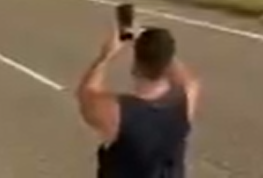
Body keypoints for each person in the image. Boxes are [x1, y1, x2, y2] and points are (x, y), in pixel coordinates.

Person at [75, 21, 199, 177]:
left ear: (135, 65)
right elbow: (187, 79)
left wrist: (106, 55)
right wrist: (161, 49)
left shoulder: (117, 112)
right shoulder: (187, 98)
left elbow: (86, 94)